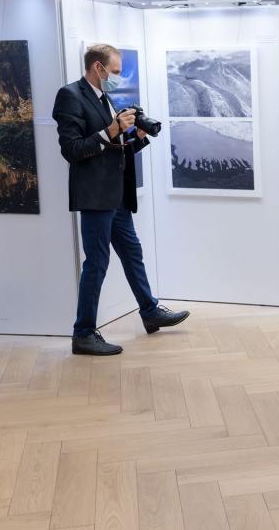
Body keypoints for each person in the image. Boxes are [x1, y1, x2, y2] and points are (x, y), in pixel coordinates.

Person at [53, 44, 189, 356]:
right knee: (97, 263)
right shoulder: (70, 95)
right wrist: (114, 127)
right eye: (114, 71)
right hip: (95, 197)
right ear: (97, 67)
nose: (117, 76)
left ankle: (150, 311)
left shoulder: (104, 96)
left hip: (116, 196)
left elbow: (111, 149)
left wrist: (136, 138)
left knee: (132, 253)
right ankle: (83, 333)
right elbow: (72, 150)